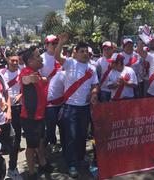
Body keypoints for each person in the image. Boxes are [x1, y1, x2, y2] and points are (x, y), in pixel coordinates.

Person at [55, 33, 99, 178]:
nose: (85, 53)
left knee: (82, 136)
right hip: (70, 107)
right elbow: (57, 57)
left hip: (85, 107)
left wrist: (93, 94)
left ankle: (80, 158)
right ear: (76, 53)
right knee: (71, 136)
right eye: (82, 51)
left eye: (87, 51)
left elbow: (95, 85)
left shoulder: (92, 69)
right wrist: (60, 42)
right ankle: (71, 163)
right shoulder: (70, 63)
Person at [19, 46, 53, 179]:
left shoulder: (37, 73)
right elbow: (24, 79)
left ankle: (43, 163)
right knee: (31, 146)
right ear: (30, 61)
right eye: (38, 56)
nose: (41, 58)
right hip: (30, 117)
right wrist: (29, 79)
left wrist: (43, 80)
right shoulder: (26, 72)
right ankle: (32, 172)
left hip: (40, 115)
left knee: (40, 141)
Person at [0, 51, 23, 179]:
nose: (14, 62)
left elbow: (25, 87)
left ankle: (13, 168)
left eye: (16, 60)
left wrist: (21, 94)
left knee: (16, 139)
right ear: (7, 60)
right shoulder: (1, 74)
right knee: (1, 140)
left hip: (18, 109)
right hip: (4, 111)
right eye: (12, 60)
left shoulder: (21, 72)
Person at [40, 35, 63, 152]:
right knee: (51, 124)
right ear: (46, 45)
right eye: (53, 43)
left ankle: (64, 145)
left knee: (63, 124)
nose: (55, 45)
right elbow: (38, 77)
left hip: (63, 96)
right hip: (48, 97)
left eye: (56, 43)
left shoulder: (62, 57)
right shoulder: (41, 59)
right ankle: (52, 143)